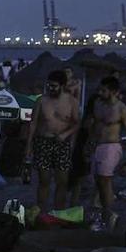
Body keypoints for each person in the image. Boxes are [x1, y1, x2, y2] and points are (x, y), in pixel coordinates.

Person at [25, 70, 80, 212]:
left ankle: (59, 211)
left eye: (54, 86)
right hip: (43, 141)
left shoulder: (71, 101)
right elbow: (33, 124)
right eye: (48, 85)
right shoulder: (41, 101)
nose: (50, 88)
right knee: (44, 180)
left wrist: (65, 134)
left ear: (62, 86)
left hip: (62, 144)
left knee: (62, 181)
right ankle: (41, 211)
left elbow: (76, 123)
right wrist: (28, 145)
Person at [90, 76, 126, 231]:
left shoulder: (121, 109)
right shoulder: (98, 104)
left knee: (105, 181)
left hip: (112, 145)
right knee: (98, 182)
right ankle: (105, 214)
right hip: (98, 146)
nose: (101, 93)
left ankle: (108, 214)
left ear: (114, 92)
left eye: (104, 90)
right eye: (100, 90)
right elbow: (94, 126)